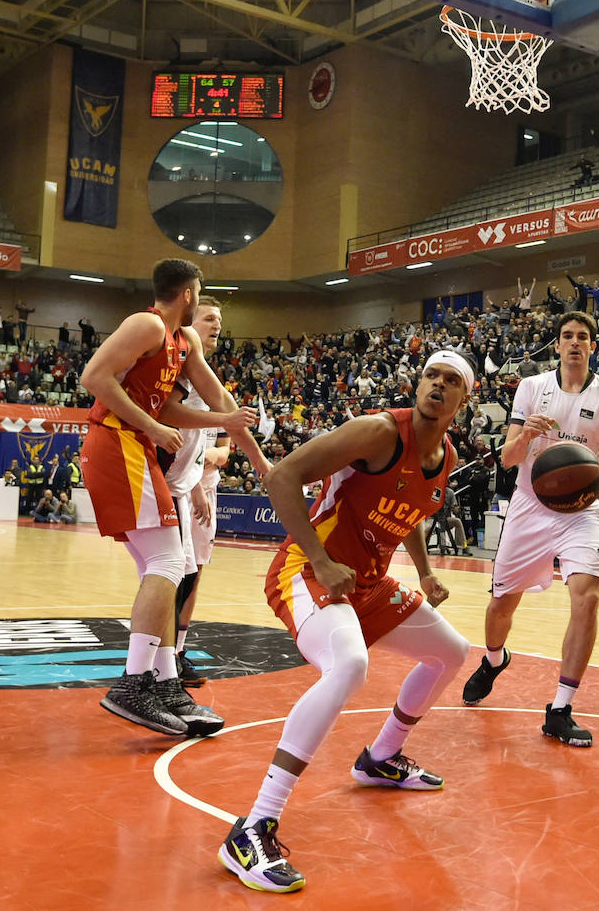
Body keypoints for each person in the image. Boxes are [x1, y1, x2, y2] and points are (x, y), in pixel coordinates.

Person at [218, 351, 472, 894]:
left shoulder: (444, 455)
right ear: (417, 383)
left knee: (451, 652)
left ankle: (380, 757)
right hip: (308, 569)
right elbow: (282, 476)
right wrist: (321, 558)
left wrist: (425, 572)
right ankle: (253, 827)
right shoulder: (378, 432)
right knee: (350, 665)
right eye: (431, 375)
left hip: (368, 583)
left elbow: (411, 511)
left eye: (451, 380)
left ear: (464, 399)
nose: (437, 384)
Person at [80, 259, 260, 737]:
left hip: (133, 445)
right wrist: (153, 425)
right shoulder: (148, 325)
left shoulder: (184, 341)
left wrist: (258, 457)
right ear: (188, 294)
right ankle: (135, 681)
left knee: (170, 565)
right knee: (167, 562)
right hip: (117, 441)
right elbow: (93, 377)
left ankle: (164, 681)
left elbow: (218, 403)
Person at [461, 312, 599, 747]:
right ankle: (494, 660)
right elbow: (507, 459)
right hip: (529, 505)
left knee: (587, 597)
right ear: (557, 346)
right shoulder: (531, 388)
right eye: (567, 336)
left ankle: (560, 708)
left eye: (583, 336)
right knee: (501, 605)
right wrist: (525, 436)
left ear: (593, 346)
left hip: (581, 510)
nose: (575, 342)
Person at [158, 299, 269, 686]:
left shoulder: (205, 376)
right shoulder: (174, 367)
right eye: (209, 317)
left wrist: (261, 463)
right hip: (171, 483)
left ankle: (170, 657)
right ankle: (156, 663)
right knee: (169, 574)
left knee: (188, 574)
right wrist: (194, 486)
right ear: (189, 322)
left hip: (192, 485)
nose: (217, 324)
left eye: (220, 319)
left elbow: (226, 434)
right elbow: (172, 420)